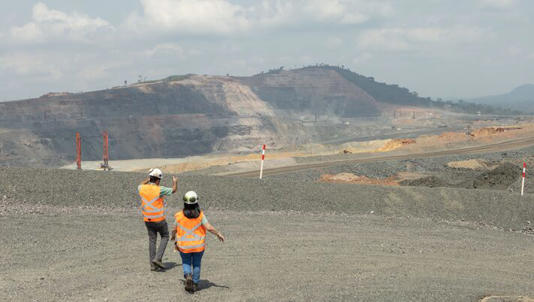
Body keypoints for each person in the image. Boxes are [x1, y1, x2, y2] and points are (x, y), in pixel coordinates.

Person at [171, 191, 225, 293]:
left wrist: (173, 237)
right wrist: (218, 233)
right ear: (196, 203)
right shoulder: (201, 215)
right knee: (196, 264)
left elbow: (174, 229)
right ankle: (195, 283)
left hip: (184, 247)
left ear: (184, 203)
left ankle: (188, 276)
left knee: (186, 262)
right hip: (198, 247)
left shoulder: (178, 215)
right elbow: (208, 227)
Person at [138, 168, 178, 271]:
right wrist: (175, 182)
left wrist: (149, 178)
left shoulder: (142, 188)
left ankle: (152, 265)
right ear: (158, 180)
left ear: (150, 178)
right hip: (159, 219)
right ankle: (158, 259)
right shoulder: (160, 189)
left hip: (147, 219)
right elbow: (173, 190)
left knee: (152, 240)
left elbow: (141, 184)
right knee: (165, 236)